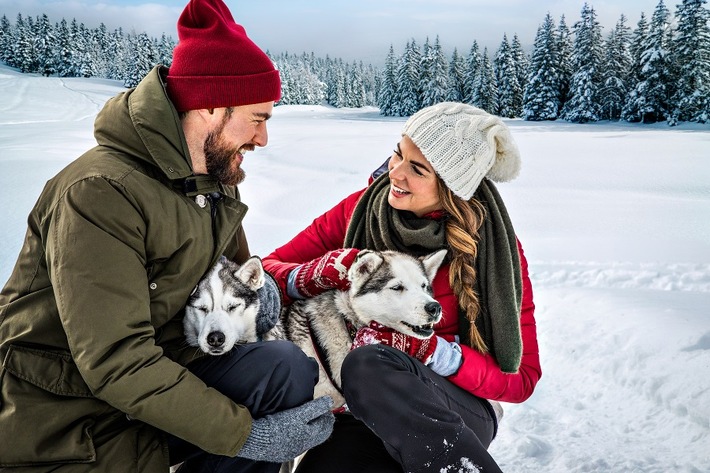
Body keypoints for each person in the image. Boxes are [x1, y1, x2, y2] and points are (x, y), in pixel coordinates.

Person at [0, 0, 334, 472]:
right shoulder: (100, 193)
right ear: (211, 105)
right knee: (250, 431)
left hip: (159, 373)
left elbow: (238, 271)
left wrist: (264, 294)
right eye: (258, 118)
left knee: (284, 369)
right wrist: (243, 436)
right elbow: (117, 358)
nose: (263, 139)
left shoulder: (207, 180)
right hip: (71, 413)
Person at [263, 102, 542, 472]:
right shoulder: (360, 209)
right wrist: (316, 273)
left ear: (451, 187)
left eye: (417, 168)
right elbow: (266, 275)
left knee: (369, 359)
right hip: (361, 409)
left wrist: (432, 352)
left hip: (455, 408)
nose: (395, 172)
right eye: (397, 153)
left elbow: (521, 379)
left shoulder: (495, 250)